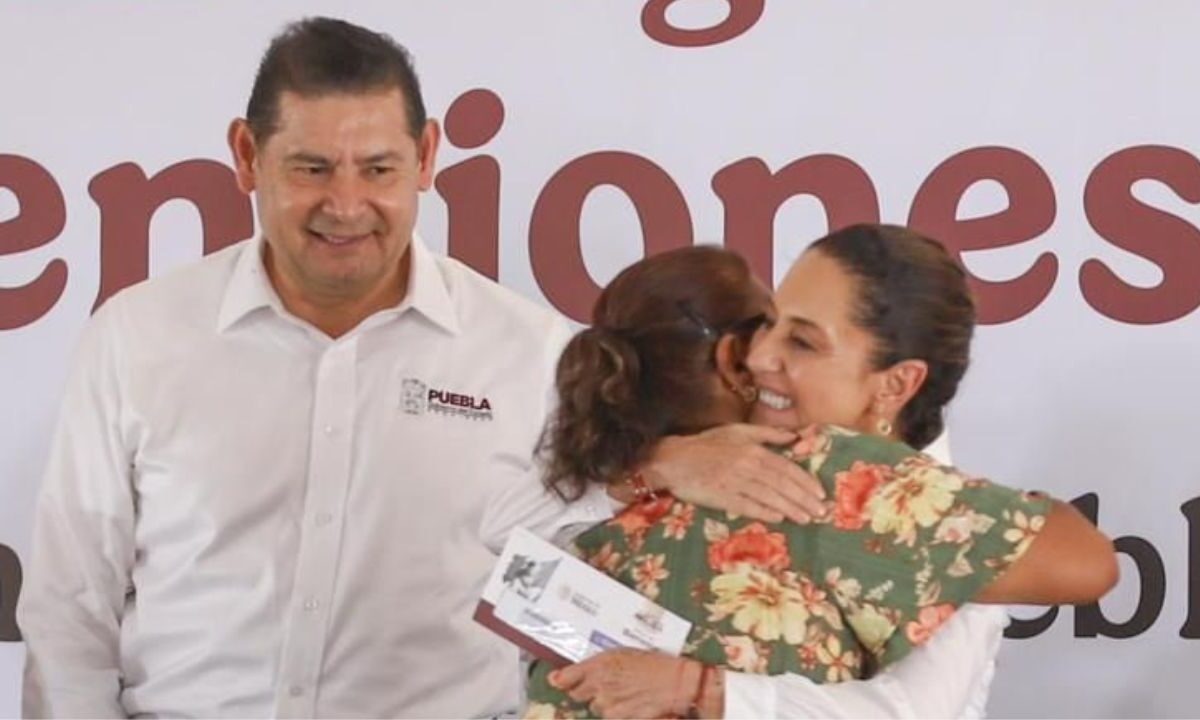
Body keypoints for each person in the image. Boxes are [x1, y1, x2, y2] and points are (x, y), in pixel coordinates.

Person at [15, 17, 831, 718]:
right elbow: (72, 607)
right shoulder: (138, 335)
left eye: (378, 169)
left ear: (428, 156)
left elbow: (585, 562)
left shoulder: (533, 352)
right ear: (245, 154)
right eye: (309, 169)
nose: (345, 204)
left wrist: (670, 465)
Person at [524, 231, 1117, 718]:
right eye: (770, 323)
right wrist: (663, 464)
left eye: (802, 341)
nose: (760, 356)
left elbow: (916, 709)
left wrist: (698, 689)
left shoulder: (898, 504)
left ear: (896, 384)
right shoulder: (679, 473)